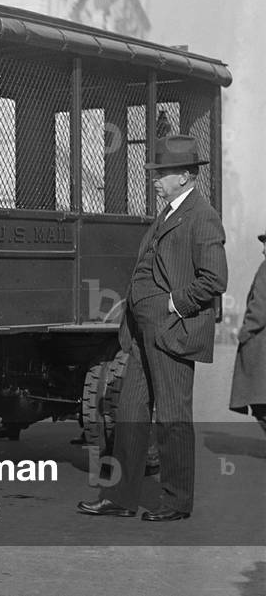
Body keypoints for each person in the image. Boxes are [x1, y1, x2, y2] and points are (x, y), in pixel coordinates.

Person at [78, 134, 226, 522]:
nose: (155, 179)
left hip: (172, 331)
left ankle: (177, 502)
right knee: (130, 410)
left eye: (162, 173)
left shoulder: (202, 216)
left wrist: (171, 306)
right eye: (156, 172)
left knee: (173, 416)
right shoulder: (168, 213)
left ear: (185, 176)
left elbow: (214, 279)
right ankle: (119, 498)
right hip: (145, 334)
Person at [229, 228, 266, 435]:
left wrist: (244, 333)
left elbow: (259, 309)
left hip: (261, 350)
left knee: (261, 406)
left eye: (265, 244)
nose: (263, 250)